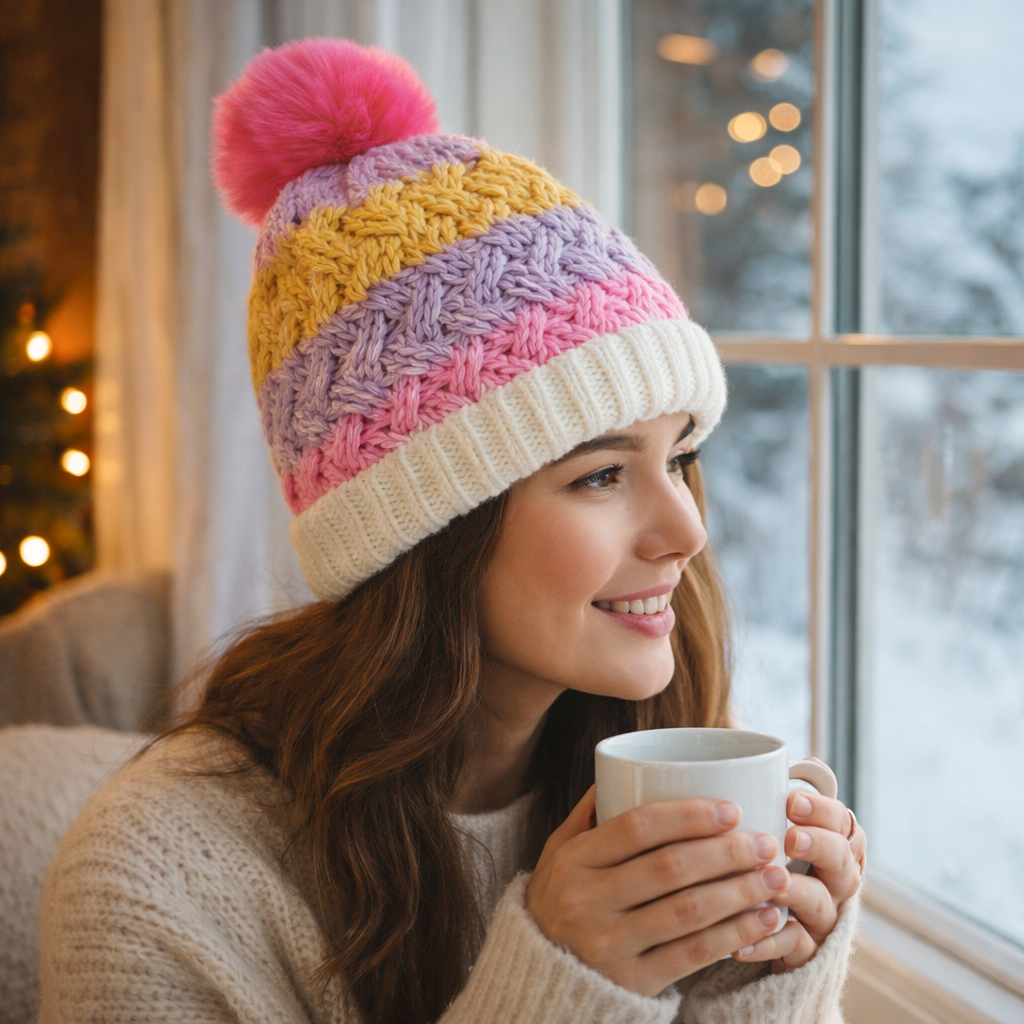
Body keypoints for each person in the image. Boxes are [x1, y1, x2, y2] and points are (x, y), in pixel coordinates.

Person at [38, 37, 865, 1024]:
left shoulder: (632, 761)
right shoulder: (153, 882)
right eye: (601, 473)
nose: (684, 527)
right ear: (424, 532)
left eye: (679, 454)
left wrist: (762, 977)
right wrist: (558, 984)